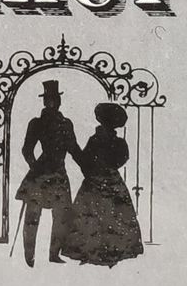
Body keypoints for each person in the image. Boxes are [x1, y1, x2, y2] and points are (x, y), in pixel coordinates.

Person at [62, 101, 144, 268]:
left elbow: (85, 162)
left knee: (92, 217)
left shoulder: (96, 140)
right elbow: (121, 159)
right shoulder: (119, 143)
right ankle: (111, 251)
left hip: (94, 183)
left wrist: (73, 148)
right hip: (113, 182)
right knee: (114, 217)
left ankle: (93, 251)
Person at [14, 80, 83, 266]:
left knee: (62, 216)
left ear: (59, 101)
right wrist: (34, 167)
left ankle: (54, 253)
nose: (52, 103)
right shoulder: (36, 123)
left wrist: (88, 167)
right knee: (32, 216)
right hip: (41, 174)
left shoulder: (66, 124)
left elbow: (74, 149)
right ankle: (29, 256)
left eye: (55, 99)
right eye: (49, 99)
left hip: (59, 174)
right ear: (44, 102)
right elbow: (27, 149)